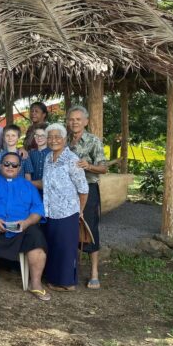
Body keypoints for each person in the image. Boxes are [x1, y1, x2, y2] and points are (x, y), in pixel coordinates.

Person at [0, 152, 50, 300]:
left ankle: (35, 283)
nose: (10, 167)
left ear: (19, 168)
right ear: (1, 165)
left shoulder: (28, 186)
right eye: (7, 164)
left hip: (22, 227)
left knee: (37, 238)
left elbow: (37, 210)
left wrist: (26, 222)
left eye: (14, 165)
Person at [42, 123, 89, 292]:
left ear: (64, 139)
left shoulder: (72, 159)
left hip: (68, 211)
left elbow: (83, 189)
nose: (53, 140)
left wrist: (79, 210)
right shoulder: (48, 158)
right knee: (54, 245)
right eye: (50, 137)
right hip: (51, 211)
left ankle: (68, 283)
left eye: (57, 137)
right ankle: (55, 280)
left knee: (66, 248)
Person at [67, 105, 108, 290]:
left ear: (85, 121)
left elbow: (104, 168)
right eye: (71, 119)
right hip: (68, 191)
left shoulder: (93, 141)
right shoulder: (64, 141)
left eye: (78, 119)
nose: (74, 122)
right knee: (69, 227)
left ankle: (94, 273)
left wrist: (88, 165)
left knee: (89, 229)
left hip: (88, 189)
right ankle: (71, 268)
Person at [29, 123, 50, 188]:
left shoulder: (52, 154)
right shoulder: (30, 154)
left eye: (42, 135)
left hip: (48, 192)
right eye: (37, 135)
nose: (39, 138)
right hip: (33, 191)